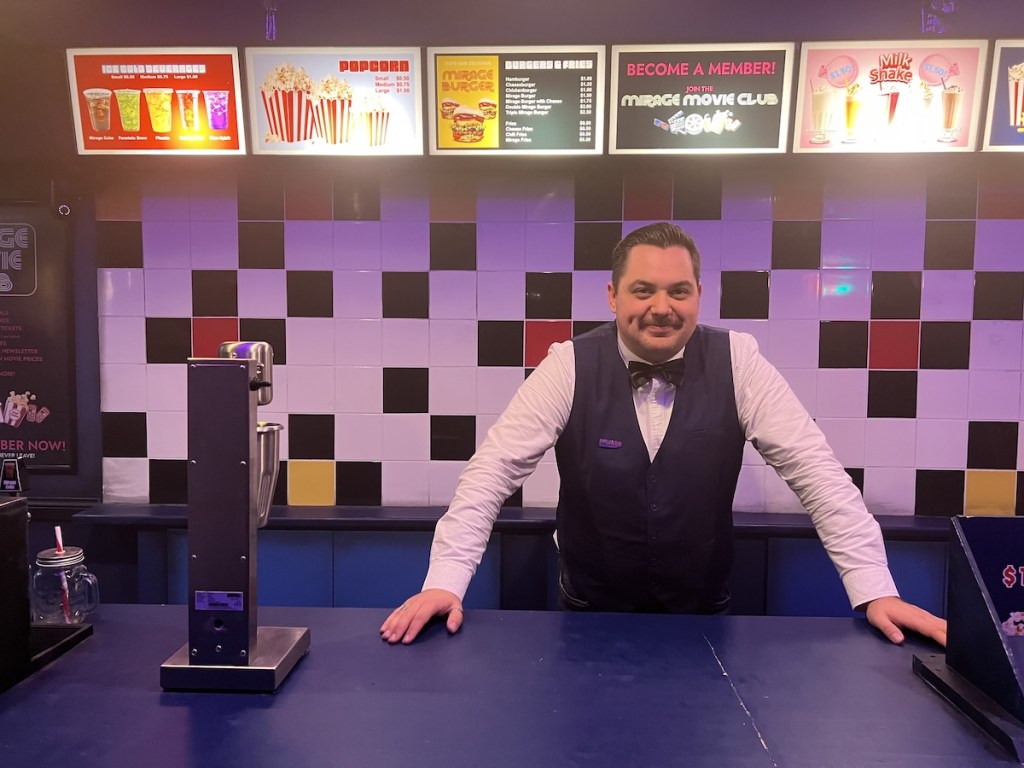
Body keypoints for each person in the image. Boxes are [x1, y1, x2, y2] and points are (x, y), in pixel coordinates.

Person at [380, 222, 947, 647]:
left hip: (702, 616)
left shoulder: (740, 361)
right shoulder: (568, 364)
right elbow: (492, 473)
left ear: (699, 293)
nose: (661, 307)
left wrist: (876, 588)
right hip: (589, 610)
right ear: (613, 296)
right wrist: (445, 581)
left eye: (679, 291)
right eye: (643, 290)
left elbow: (818, 476)